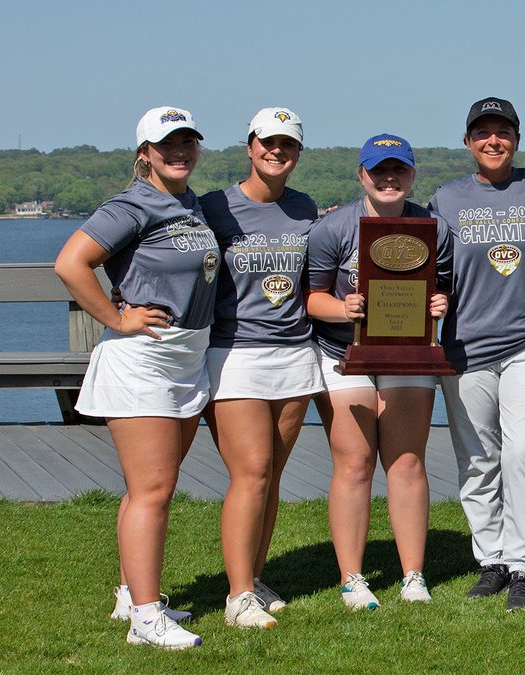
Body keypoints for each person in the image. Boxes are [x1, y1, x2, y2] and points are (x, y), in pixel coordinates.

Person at [55, 106, 216, 649]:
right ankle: (146, 621)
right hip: (144, 356)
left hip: (186, 357)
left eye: (188, 142)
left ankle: (132, 592)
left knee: (149, 488)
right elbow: (71, 263)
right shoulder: (130, 204)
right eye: (167, 144)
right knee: (153, 490)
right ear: (144, 152)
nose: (180, 151)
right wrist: (119, 317)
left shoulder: (188, 204)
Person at [428, 97, 525, 612]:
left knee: (523, 450)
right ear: (468, 142)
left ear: (517, 139)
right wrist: (436, 295)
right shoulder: (447, 197)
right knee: (478, 460)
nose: (493, 141)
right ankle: (492, 560)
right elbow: (432, 267)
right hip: (465, 345)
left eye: (502, 132)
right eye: (482, 133)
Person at [306, 134, 450, 609]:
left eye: (399, 170)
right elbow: (312, 298)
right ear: (361, 175)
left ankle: (413, 575)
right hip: (345, 355)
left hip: (409, 355)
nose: (389, 179)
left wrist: (440, 303)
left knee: (407, 463)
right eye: (379, 170)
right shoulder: (332, 229)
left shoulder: (434, 227)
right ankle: (352, 577)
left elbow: (444, 290)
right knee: (355, 463)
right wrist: (342, 308)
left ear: (412, 175)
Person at [199, 107, 322, 628]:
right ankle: (237, 596)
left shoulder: (304, 208)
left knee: (271, 475)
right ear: (250, 147)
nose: (276, 151)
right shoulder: (213, 208)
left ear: (297, 153)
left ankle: (253, 574)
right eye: (267, 142)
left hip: (295, 353)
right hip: (235, 353)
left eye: (287, 144)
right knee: (250, 472)